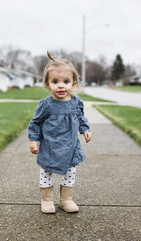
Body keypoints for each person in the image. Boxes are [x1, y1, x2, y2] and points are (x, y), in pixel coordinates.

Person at [28, 51, 92, 214]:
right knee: (46, 171)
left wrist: (85, 129)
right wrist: (34, 140)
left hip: (70, 145)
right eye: (55, 81)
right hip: (50, 145)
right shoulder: (46, 105)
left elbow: (80, 117)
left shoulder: (76, 102)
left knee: (70, 171)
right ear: (48, 84)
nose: (61, 85)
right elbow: (35, 122)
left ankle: (66, 199)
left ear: (74, 82)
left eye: (66, 81)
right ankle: (47, 200)